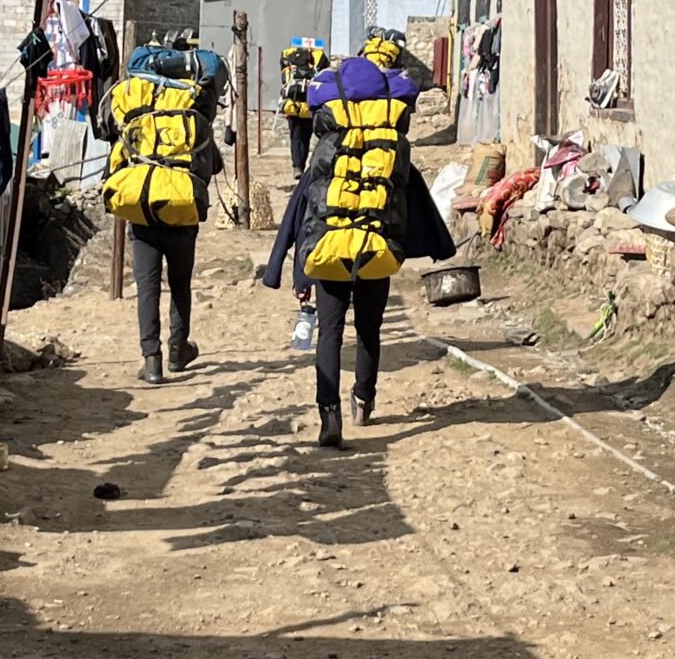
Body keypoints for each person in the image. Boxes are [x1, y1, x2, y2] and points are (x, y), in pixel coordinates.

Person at [264, 36, 455, 447]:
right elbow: (412, 198)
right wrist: (433, 246)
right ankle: (363, 402)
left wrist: (295, 270)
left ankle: (329, 416)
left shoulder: (328, 146)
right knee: (369, 328)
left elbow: (305, 208)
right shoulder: (395, 146)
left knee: (329, 332)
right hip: (375, 250)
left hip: (330, 249)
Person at [101, 49, 226, 385]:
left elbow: (116, 159)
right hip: (182, 212)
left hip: (142, 212)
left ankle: (151, 360)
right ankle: (177, 350)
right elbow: (213, 165)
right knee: (180, 284)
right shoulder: (192, 117)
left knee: (147, 288)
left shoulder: (139, 117)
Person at [279, 44, 329, 180]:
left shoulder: (289, 61)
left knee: (295, 136)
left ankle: (297, 166)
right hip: (308, 105)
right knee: (306, 137)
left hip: (292, 105)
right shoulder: (317, 60)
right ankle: (302, 164)